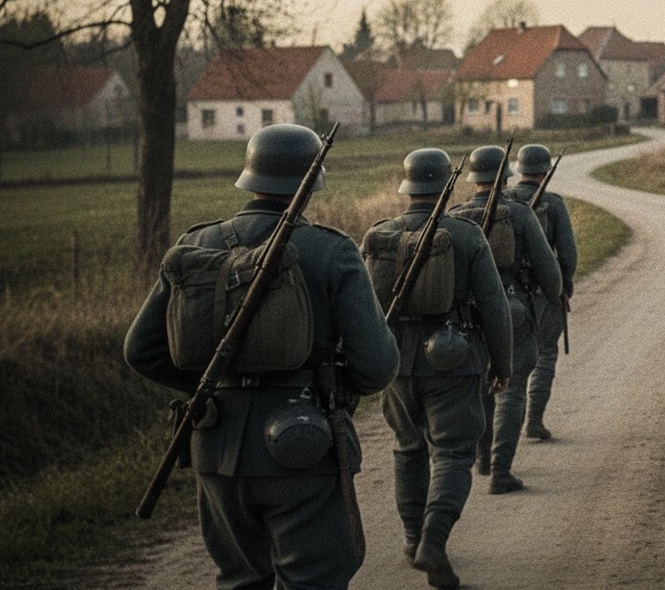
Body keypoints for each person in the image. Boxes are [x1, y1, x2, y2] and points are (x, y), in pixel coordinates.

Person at [124, 123, 399, 589]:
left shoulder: (196, 244)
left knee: (238, 579)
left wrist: (214, 386)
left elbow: (141, 350)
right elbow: (377, 365)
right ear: (310, 187)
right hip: (303, 444)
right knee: (314, 578)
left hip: (213, 441)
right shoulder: (331, 251)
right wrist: (330, 388)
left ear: (250, 178)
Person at [362, 148, 513, 589]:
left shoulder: (378, 235)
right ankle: (434, 540)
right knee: (451, 454)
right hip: (455, 359)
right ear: (444, 185)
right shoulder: (466, 236)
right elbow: (494, 308)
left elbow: (361, 306)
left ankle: (412, 540)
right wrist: (501, 366)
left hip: (395, 363)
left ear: (408, 186)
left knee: (408, 448)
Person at [449, 145, 561, 494]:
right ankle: (500, 471)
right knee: (511, 390)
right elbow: (552, 279)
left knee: (482, 384)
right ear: (505, 177)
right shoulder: (521, 213)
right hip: (515, 312)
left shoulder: (455, 216)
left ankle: (483, 458)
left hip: (470, 319)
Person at [505, 144, 578, 441]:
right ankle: (534, 421)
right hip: (546, 293)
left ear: (520, 170)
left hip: (508, 294)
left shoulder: (504, 202)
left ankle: (502, 429)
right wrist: (564, 286)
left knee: (508, 359)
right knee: (546, 354)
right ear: (545, 170)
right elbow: (568, 253)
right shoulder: (554, 204)